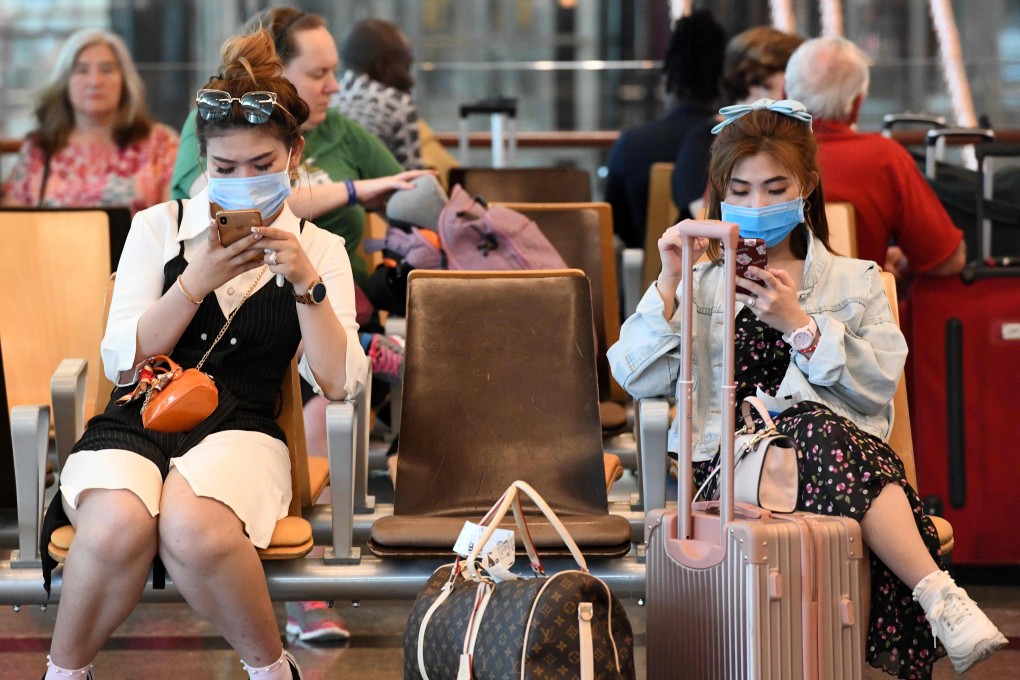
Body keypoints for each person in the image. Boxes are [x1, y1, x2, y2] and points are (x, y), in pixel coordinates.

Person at [608, 99, 1007, 678]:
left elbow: (877, 391)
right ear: (719, 194)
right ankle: (938, 595)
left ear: (806, 188)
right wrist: (670, 280)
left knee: (813, 425)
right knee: (809, 426)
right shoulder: (700, 283)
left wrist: (800, 324)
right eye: (740, 191)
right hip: (728, 462)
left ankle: (930, 601)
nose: (758, 205)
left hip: (836, 461)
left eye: (775, 188)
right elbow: (634, 376)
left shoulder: (858, 282)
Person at [37, 29, 368, 680]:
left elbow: (339, 382)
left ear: (294, 155)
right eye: (226, 168)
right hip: (137, 416)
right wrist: (196, 279)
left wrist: (306, 283)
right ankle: (64, 673)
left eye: (263, 165)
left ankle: (272, 670)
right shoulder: (157, 228)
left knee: (193, 526)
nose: (243, 182)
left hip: (243, 426)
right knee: (113, 529)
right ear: (202, 163)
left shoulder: (320, 248)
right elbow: (122, 364)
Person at [170, 8, 428, 287]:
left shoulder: (337, 128)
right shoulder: (216, 120)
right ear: (274, 74)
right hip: (240, 292)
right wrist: (351, 191)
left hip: (347, 295)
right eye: (319, 74)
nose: (334, 87)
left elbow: (405, 194)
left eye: (334, 72)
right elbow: (229, 203)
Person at [784, 36, 966, 278]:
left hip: (755, 311)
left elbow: (717, 247)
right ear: (857, 103)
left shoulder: (747, 154)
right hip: (857, 313)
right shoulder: (883, 158)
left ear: (784, 93)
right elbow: (947, 260)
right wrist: (894, 267)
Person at [2, 28, 179, 215]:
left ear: (125, 81)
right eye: (82, 70)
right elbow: (12, 227)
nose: (94, 81)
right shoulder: (39, 149)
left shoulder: (161, 144)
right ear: (65, 82)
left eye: (106, 69)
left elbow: (177, 222)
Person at [603, 9, 726, 248]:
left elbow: (617, 227)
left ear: (666, 83)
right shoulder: (733, 143)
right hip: (716, 268)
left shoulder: (632, 144)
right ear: (722, 85)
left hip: (650, 278)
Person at [672, 26, 803, 218]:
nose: (797, 87)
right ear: (752, 78)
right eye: (791, 75)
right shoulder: (703, 141)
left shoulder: (795, 134)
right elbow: (709, 218)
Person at [334, 18, 422, 170]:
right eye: (406, 67)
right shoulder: (398, 104)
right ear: (383, 65)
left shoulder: (329, 97)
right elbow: (414, 180)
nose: (410, 81)